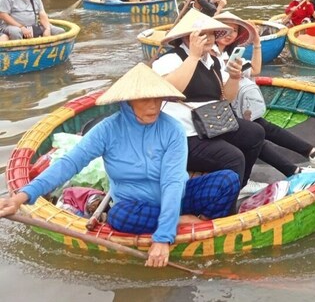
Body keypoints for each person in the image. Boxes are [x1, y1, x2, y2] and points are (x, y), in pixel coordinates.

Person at [0, 63, 240, 268]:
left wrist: (163, 237)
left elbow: (173, 181)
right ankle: (185, 222)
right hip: (136, 206)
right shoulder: (108, 130)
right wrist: (22, 197)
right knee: (119, 216)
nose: (153, 105)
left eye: (158, 98)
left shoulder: (172, 130)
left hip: (175, 196)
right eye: (145, 99)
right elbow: (69, 163)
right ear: (128, 101)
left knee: (227, 180)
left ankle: (180, 222)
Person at [151, 9, 266, 192]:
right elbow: (170, 91)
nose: (210, 39)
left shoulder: (213, 61)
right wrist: (194, 57)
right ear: (187, 38)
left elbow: (226, 98)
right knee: (234, 157)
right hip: (183, 136)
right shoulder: (170, 59)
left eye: (212, 34)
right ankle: (226, 207)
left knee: (255, 133)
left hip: (209, 125)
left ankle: (241, 185)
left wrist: (234, 77)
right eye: (202, 35)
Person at [213, 12, 315, 177]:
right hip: (220, 111)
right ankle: (308, 157)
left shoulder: (227, 55)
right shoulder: (210, 55)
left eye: (235, 31)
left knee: (261, 129)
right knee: (260, 130)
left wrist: (257, 43)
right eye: (226, 29)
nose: (230, 34)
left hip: (232, 108)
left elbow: (255, 70)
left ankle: (306, 159)